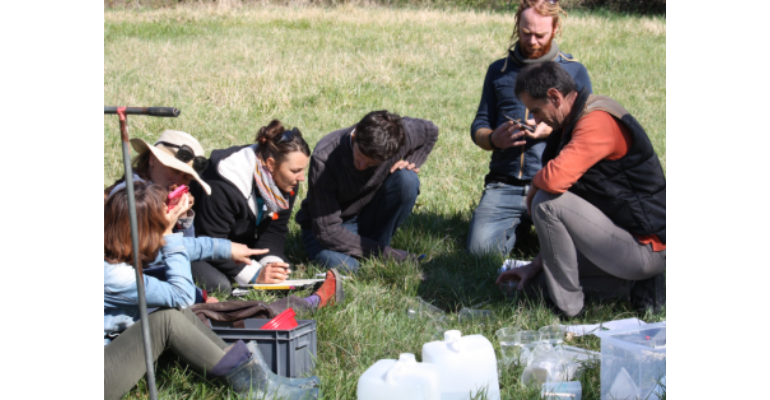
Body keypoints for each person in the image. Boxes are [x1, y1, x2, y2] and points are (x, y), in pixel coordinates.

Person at [103, 183, 324, 400]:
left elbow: (186, 249)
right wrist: (170, 234)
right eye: (159, 228)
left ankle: (260, 379)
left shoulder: (117, 246)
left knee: (173, 313)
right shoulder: (114, 276)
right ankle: (254, 386)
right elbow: (183, 296)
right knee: (167, 319)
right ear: (143, 234)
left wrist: (227, 249)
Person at [496, 62, 666, 317]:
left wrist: (533, 187)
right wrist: (534, 267)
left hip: (647, 246)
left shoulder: (596, 121)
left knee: (546, 201)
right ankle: (632, 286)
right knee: (531, 286)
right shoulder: (569, 123)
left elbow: (554, 181)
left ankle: (568, 310)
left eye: (536, 110)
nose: (535, 120)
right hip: (620, 239)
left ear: (554, 96)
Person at [467, 0, 592, 256]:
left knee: (581, 254)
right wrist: (492, 139)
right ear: (517, 25)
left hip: (557, 185)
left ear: (555, 28)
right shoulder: (498, 71)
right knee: (479, 254)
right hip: (506, 184)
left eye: (540, 34)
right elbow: (479, 125)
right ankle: (519, 226)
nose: (533, 40)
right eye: (526, 33)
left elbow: (588, 130)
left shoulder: (575, 71)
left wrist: (553, 129)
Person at [295, 110, 439, 272]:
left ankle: (373, 247)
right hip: (332, 226)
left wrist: (413, 162)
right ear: (355, 137)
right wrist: (389, 254)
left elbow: (430, 130)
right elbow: (327, 232)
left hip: (369, 213)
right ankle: (373, 253)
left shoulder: (397, 137)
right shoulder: (325, 157)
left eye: (371, 163)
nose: (362, 166)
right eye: (360, 157)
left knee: (407, 180)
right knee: (342, 266)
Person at [190, 120, 312, 293]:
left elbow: (275, 229)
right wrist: (254, 274)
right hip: (200, 244)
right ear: (270, 164)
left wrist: (271, 263)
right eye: (295, 171)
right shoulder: (223, 184)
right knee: (219, 285)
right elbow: (211, 239)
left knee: (281, 272)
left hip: (239, 243)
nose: (301, 178)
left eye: (302, 170)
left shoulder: (285, 180)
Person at [105, 129, 212, 237]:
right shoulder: (135, 197)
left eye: (187, 177)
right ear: (152, 159)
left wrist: (182, 214)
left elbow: (187, 250)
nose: (178, 181)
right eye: (174, 170)